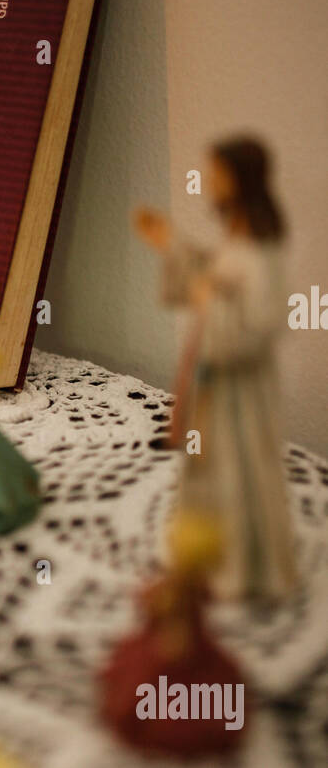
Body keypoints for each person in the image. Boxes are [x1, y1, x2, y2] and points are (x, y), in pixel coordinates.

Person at [133, 137, 297, 601]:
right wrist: (169, 243)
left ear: (241, 181)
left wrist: (210, 299)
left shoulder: (262, 253)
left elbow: (259, 324)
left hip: (238, 387)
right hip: (214, 381)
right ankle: (204, 551)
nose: (209, 183)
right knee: (209, 469)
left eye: (217, 175)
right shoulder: (238, 241)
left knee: (237, 468)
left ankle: (242, 565)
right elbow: (211, 272)